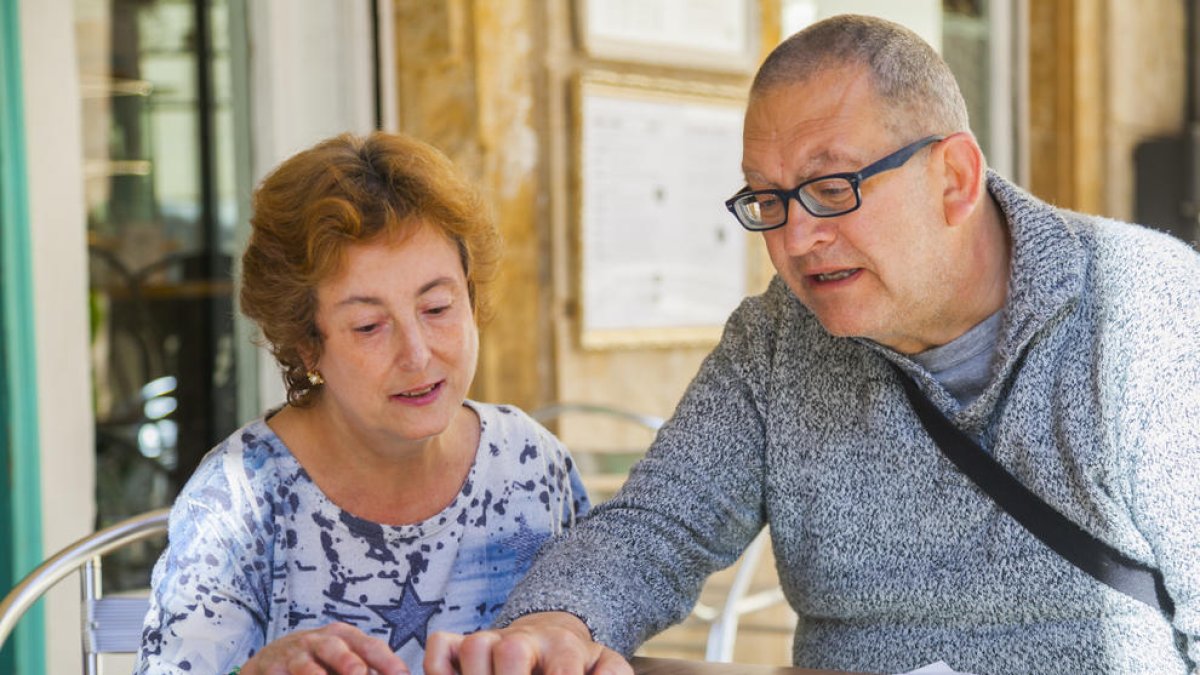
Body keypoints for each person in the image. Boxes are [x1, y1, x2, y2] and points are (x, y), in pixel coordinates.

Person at [423, 13, 1200, 675]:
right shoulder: (777, 337)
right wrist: (560, 620)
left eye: (833, 189)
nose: (796, 238)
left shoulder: (1145, 311)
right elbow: (656, 526)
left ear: (955, 178)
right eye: (768, 197)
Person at [135, 131, 590, 675]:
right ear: (307, 344)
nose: (417, 355)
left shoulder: (530, 463)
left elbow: (588, 634)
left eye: (438, 307)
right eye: (370, 325)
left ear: (471, 297)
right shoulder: (239, 503)